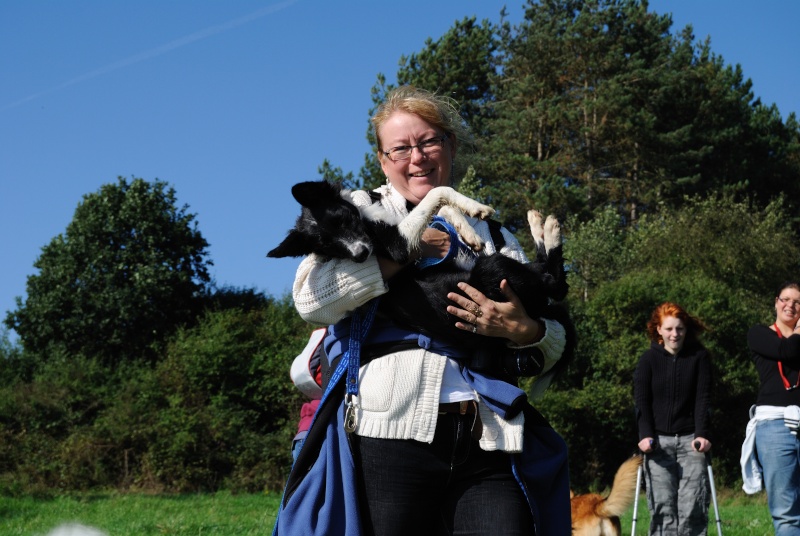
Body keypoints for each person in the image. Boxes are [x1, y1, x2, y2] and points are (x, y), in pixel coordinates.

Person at [289, 85, 570, 536]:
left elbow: (552, 344)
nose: (416, 157)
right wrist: (407, 249)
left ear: (451, 147)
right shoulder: (358, 212)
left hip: (490, 434)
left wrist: (525, 330)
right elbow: (312, 300)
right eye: (400, 148)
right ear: (383, 160)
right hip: (388, 430)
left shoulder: (494, 233)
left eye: (429, 142)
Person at [634, 301, 713, 535]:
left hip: (691, 442)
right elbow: (642, 402)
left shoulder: (699, 358)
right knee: (663, 508)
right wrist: (645, 435)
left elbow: (703, 399)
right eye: (669, 329)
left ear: (686, 329)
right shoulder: (648, 360)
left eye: (679, 329)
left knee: (693, 509)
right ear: (658, 329)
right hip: (658, 443)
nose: (674, 334)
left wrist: (703, 434)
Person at [743, 281, 800, 534]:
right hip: (774, 426)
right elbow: (786, 351)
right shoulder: (759, 334)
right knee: (786, 511)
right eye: (785, 299)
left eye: (798, 302)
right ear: (776, 302)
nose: (791, 305)